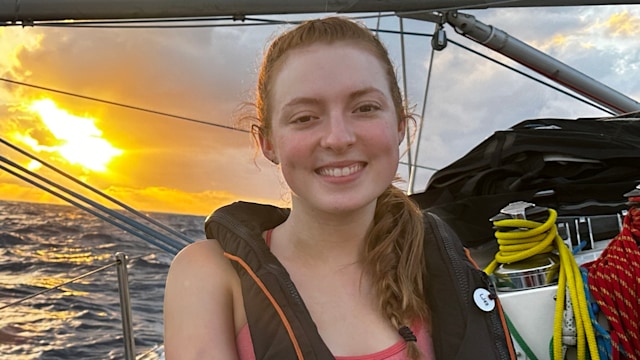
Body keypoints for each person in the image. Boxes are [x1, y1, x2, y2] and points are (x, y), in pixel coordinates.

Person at [164, 16, 515, 360]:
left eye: (364, 108)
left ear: (399, 127)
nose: (338, 138)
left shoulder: (444, 264)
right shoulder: (210, 276)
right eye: (304, 117)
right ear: (268, 143)